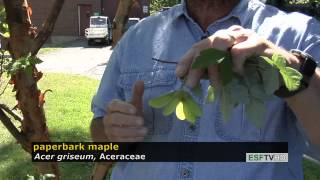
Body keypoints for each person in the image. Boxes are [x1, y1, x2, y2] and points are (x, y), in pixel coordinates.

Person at [90, 0, 320, 179]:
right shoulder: (138, 37)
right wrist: (114, 132)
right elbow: (100, 134)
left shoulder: (297, 33)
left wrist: (289, 66)